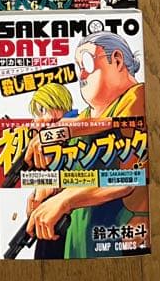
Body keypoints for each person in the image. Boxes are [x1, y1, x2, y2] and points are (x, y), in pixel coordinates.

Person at [24, 32, 149, 257]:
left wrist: (65, 199)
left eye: (88, 63)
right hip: (78, 241)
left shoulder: (137, 96)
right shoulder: (83, 118)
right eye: (78, 66)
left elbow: (129, 178)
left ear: (117, 60)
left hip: (119, 239)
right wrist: (51, 185)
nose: (81, 74)